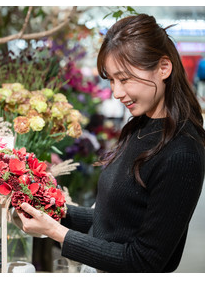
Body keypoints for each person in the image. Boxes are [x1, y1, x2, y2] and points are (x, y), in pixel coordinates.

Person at [17, 14, 205, 273]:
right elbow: (114, 220)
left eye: (125, 79)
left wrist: (57, 232)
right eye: (112, 80)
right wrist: (53, 211)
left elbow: (145, 260)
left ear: (164, 68)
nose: (116, 92)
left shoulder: (181, 153)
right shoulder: (139, 126)